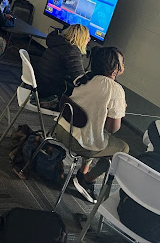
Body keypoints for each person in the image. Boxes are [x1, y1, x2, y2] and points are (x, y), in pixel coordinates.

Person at [54, 46, 129, 203]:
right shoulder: (116, 90)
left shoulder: (84, 78)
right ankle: (87, 179)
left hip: (60, 129)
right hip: (77, 142)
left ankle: (82, 173)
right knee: (122, 149)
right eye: (122, 62)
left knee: (96, 134)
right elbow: (112, 128)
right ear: (115, 68)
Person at [35, 24, 89, 108]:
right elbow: (79, 79)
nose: (88, 41)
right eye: (88, 38)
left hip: (39, 83)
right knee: (84, 91)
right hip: (49, 90)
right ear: (82, 39)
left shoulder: (57, 42)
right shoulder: (71, 51)